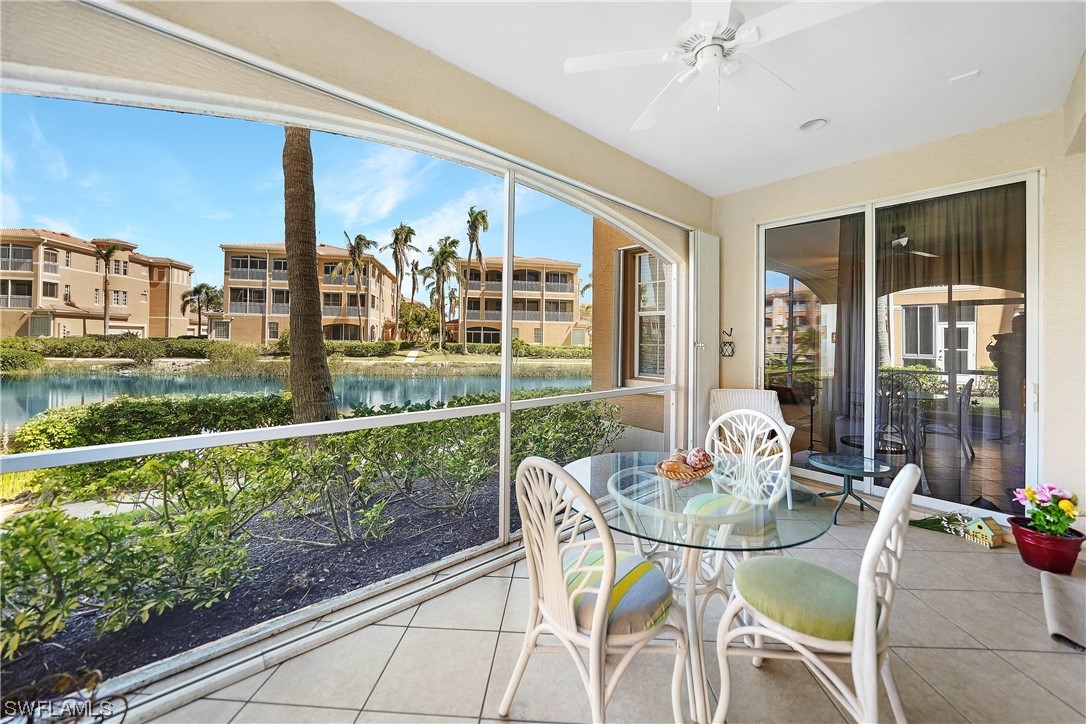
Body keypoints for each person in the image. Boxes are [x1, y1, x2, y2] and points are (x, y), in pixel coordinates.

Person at [987, 314, 1025, 442]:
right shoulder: (1006, 338)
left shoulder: (1028, 338)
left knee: (1023, 405)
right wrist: (995, 360)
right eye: (1012, 323)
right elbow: (993, 353)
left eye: (1016, 323)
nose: (1013, 325)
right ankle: (1017, 431)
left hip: (1023, 378)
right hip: (1007, 377)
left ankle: (1026, 431)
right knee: (1012, 406)